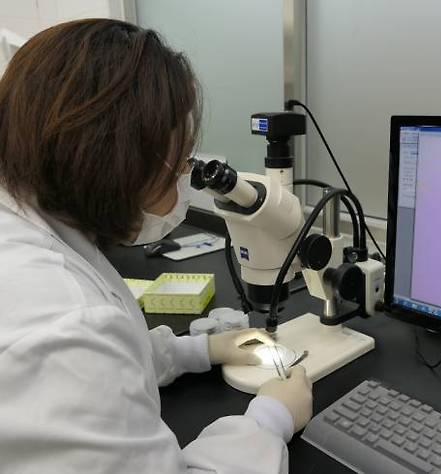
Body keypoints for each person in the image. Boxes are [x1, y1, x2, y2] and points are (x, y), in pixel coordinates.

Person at [0, 19, 312, 473]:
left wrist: (200, 350)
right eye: (180, 163)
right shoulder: (67, 328)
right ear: (120, 165)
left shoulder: (26, 222)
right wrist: (268, 420)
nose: (186, 182)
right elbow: (90, 359)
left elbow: (112, 360)